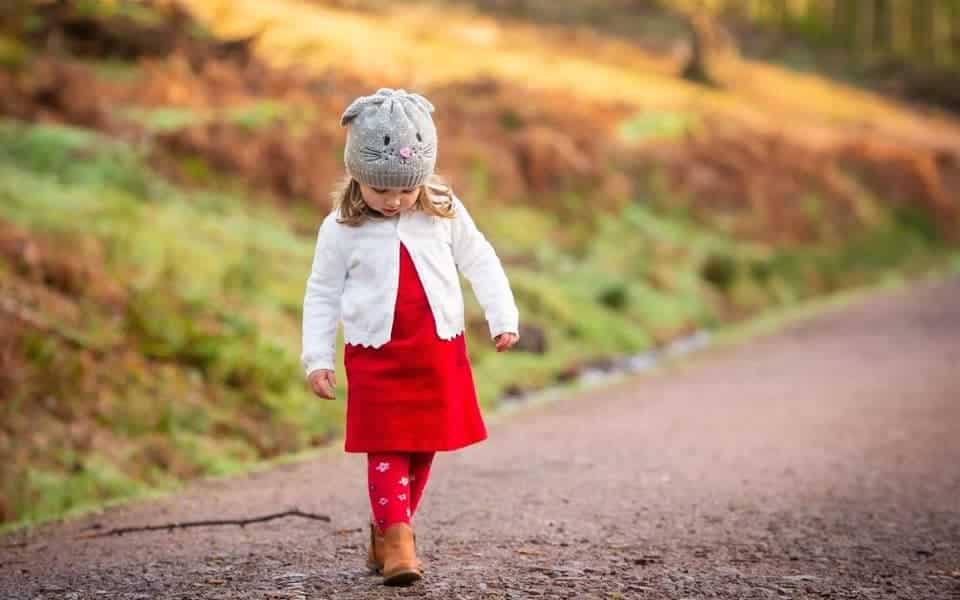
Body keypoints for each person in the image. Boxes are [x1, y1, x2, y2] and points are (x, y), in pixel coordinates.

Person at [301, 88, 520, 586]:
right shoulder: (340, 228)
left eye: (406, 189)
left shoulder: (441, 207)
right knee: (386, 442)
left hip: (435, 347)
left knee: (423, 443)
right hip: (375, 354)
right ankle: (399, 537)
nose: (396, 200)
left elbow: (479, 259)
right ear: (358, 176)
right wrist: (317, 358)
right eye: (383, 191)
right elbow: (321, 292)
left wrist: (501, 316)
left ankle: (387, 529)